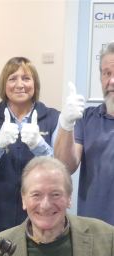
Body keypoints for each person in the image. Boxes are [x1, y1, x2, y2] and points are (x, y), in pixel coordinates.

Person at [0, 57, 59, 242]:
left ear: (35, 84)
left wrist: (39, 146)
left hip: (42, 222)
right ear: (4, 84)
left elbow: (60, 173)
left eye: (26, 78)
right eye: (12, 78)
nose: (20, 85)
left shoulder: (53, 118)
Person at [54, 43, 114, 225]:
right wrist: (67, 123)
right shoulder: (87, 118)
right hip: (94, 231)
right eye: (107, 73)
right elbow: (65, 166)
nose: (111, 81)